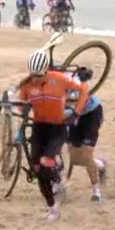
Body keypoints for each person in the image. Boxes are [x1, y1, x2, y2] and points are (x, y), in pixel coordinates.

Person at [14, 49, 87, 220]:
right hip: (39, 128)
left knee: (45, 165)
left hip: (57, 128)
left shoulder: (59, 79)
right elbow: (21, 103)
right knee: (38, 168)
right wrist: (22, 107)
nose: (36, 79)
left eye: (39, 75)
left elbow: (83, 89)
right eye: (33, 75)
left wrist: (76, 112)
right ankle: (53, 206)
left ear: (46, 70)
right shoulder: (27, 84)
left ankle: (55, 181)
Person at [63, 66, 106, 203]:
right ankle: (100, 165)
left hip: (91, 113)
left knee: (87, 153)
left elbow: (84, 81)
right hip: (73, 114)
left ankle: (96, 192)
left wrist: (84, 74)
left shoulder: (72, 81)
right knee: (76, 158)